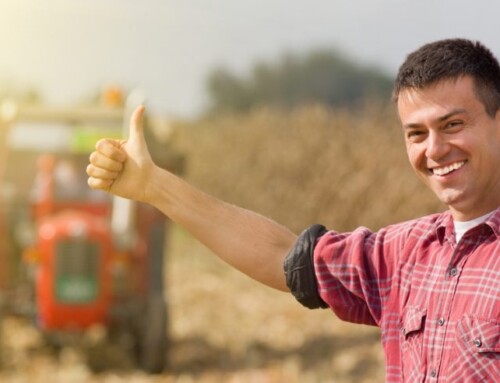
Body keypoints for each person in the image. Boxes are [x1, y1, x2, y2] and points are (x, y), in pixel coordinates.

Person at [87, 38, 500, 382]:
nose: (435, 149)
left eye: (452, 125)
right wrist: (156, 186)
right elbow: (282, 258)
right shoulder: (405, 254)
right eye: (416, 133)